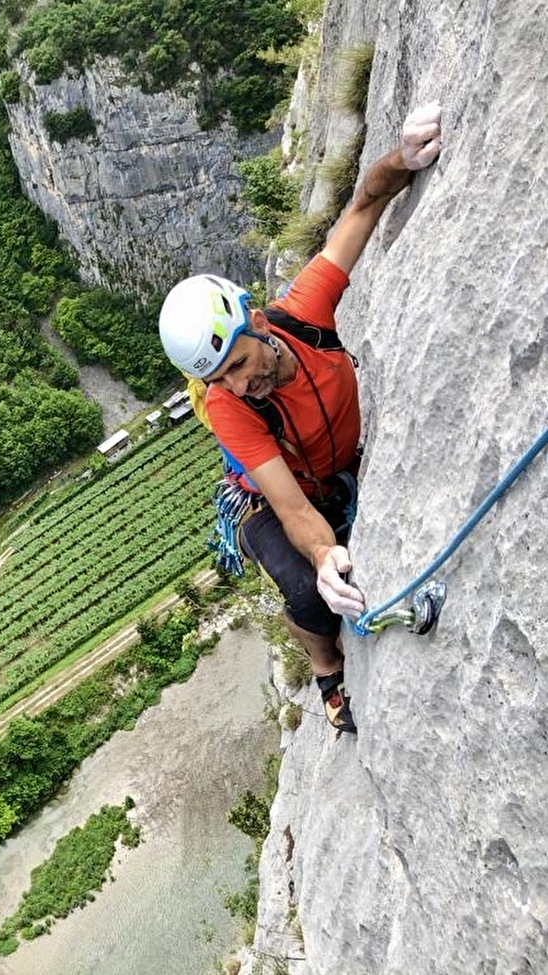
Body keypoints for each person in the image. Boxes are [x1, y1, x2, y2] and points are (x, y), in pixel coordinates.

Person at [157, 104, 443, 734]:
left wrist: (402, 157)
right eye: (220, 379)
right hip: (266, 502)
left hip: (337, 467)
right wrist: (322, 557)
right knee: (309, 591)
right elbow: (288, 507)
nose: (239, 384)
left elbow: (361, 210)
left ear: (256, 321)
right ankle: (324, 667)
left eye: (239, 363)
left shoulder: (304, 313)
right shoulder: (234, 410)